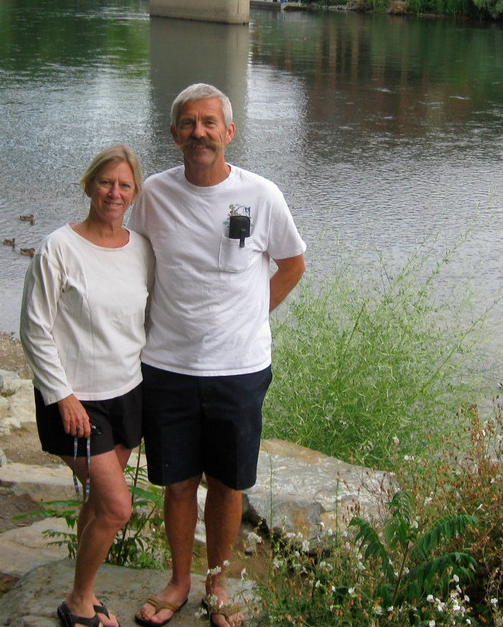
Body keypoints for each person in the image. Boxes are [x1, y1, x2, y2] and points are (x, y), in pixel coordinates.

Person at [130, 84, 306, 627]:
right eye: (189, 123)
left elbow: (293, 263)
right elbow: (125, 259)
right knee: (179, 482)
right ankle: (179, 582)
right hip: (168, 365)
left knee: (229, 484)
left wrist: (253, 315)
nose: (199, 133)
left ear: (229, 133)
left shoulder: (261, 196)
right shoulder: (152, 196)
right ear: (174, 133)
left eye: (210, 123)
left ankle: (219, 583)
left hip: (240, 369)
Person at [20, 144, 155, 627]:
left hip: (127, 393)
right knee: (118, 508)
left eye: (123, 185)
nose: (114, 193)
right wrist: (62, 395)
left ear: (135, 193)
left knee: (99, 503)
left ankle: (85, 588)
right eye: (105, 183)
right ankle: (78, 599)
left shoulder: (141, 249)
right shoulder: (59, 247)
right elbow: (35, 328)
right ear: (88, 186)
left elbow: (148, 317)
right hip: (77, 401)